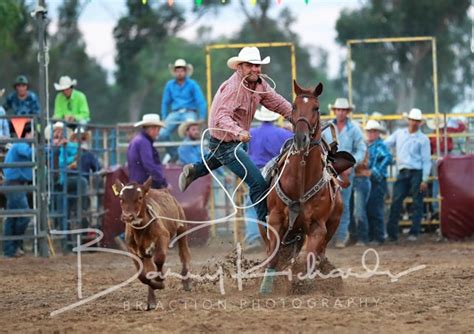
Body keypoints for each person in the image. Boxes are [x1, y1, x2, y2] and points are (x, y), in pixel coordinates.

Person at [178, 46, 293, 225]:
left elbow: (277, 102)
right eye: (250, 65)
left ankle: (195, 170)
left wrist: (296, 115)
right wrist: (239, 132)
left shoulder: (260, 85)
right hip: (227, 142)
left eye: (257, 65)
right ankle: (266, 223)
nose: (255, 69)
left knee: (221, 158)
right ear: (240, 67)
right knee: (258, 183)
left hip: (234, 141)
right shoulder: (233, 88)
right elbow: (221, 116)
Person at [244, 106, 293, 250]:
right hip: (278, 174)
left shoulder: (251, 134)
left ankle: (254, 238)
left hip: (256, 172)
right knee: (280, 206)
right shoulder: (284, 134)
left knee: (253, 205)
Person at [322, 98, 366, 248]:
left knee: (344, 204)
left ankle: (340, 236)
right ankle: (327, 237)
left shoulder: (354, 129)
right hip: (328, 169)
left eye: (343, 110)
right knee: (325, 203)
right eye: (338, 110)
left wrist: (352, 164)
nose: (341, 112)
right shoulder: (327, 127)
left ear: (347, 112)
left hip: (345, 171)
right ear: (335, 111)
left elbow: (361, 149)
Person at [385, 108, 431, 242]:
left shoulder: (423, 139)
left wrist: (424, 179)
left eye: (416, 121)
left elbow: (426, 160)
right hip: (404, 171)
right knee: (396, 201)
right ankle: (393, 233)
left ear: (419, 122)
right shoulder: (400, 134)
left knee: (417, 203)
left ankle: (413, 232)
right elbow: (386, 143)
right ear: (409, 120)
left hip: (417, 172)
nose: (414, 123)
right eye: (412, 120)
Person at [160, 59, 207, 162]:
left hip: (189, 112)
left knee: (191, 131)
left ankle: (192, 158)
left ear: (185, 72)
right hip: (175, 113)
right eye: (177, 70)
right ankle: (175, 154)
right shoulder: (170, 85)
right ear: (174, 72)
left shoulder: (192, 84)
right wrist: (163, 118)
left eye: (182, 70)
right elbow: (165, 102)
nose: (180, 73)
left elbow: (201, 101)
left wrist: (202, 117)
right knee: (162, 134)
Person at [2, 123, 33, 257]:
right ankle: (14, 245)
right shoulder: (22, 144)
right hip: (16, 184)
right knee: (24, 216)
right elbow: (30, 154)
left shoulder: (18, 144)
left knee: (13, 217)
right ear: (27, 134)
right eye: (32, 134)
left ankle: (10, 249)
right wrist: (42, 149)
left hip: (14, 184)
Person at [365, 120, 392, 245]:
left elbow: (388, 157)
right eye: (369, 131)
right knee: (370, 208)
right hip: (371, 180)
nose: (371, 134)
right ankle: (374, 235)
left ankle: (379, 236)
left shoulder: (379, 145)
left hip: (378, 181)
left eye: (373, 131)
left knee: (375, 208)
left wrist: (374, 171)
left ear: (377, 133)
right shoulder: (368, 145)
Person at [127, 114, 169, 189]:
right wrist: (163, 182)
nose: (158, 133)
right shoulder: (144, 142)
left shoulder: (138, 140)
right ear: (152, 129)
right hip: (144, 185)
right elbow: (149, 164)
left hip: (137, 183)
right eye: (158, 130)